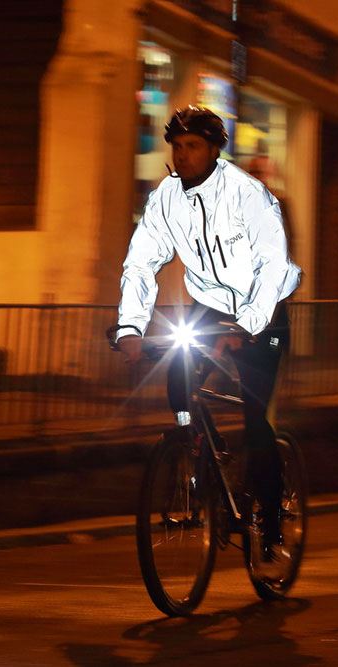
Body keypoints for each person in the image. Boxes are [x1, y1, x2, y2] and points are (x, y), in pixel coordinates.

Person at [113, 106, 301, 548]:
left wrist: (248, 323)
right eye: (177, 147)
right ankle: (195, 454)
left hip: (264, 315)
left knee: (256, 419)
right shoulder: (166, 199)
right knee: (178, 383)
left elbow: (273, 267)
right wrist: (130, 328)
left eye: (192, 146)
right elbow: (140, 264)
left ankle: (271, 522)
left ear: (214, 150)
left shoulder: (248, 195)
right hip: (208, 312)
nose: (182, 155)